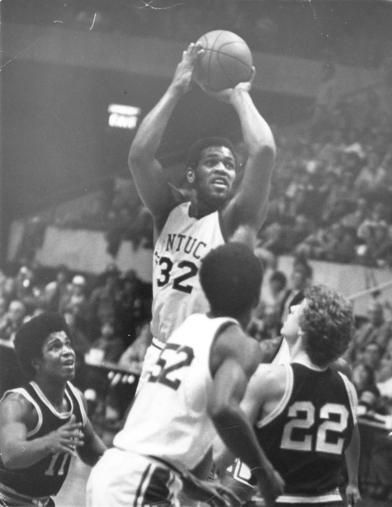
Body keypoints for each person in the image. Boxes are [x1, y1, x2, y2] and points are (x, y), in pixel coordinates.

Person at [86, 243, 283, 507]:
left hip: (118, 470)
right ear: (256, 299)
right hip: (141, 482)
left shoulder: (189, 327)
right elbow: (223, 408)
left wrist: (193, 485)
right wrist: (265, 471)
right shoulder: (240, 344)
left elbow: (174, 416)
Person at [128, 42, 276, 385]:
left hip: (204, 358)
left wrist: (240, 95)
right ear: (191, 174)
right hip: (160, 353)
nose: (224, 169)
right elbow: (139, 157)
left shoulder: (236, 220)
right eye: (213, 162)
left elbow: (264, 150)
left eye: (229, 164)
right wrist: (177, 88)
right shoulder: (168, 210)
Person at [219, 285, 361, 506]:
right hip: (329, 499)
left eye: (297, 309)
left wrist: (197, 475)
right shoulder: (347, 387)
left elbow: (228, 447)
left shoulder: (269, 379)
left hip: (281, 497)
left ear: (306, 327)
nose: (292, 309)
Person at [0, 312, 106, 506]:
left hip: (44, 502)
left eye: (68, 344)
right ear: (36, 362)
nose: (68, 351)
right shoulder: (18, 404)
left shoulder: (77, 399)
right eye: (55, 347)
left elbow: (91, 450)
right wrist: (50, 441)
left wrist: (123, 464)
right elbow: (11, 456)